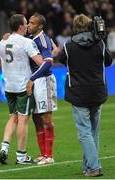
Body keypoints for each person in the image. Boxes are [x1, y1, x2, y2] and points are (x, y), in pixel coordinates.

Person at [58, 14, 112, 176]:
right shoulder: (99, 44)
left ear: (75, 27)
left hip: (79, 93)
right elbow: (108, 62)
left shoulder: (69, 46)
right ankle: (89, 166)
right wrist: (99, 40)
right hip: (97, 92)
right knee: (93, 132)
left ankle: (94, 167)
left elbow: (62, 60)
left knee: (85, 132)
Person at [0, 14, 48, 165]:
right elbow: (41, 62)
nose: (28, 26)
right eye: (26, 23)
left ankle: (4, 147)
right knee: (23, 119)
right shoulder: (26, 42)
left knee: (12, 117)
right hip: (24, 87)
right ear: (21, 26)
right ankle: (21, 156)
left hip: (9, 87)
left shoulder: (2, 42)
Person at [27, 13, 57, 165]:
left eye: (32, 23)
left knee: (45, 116)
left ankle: (49, 156)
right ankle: (43, 153)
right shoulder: (33, 39)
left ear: (40, 26)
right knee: (36, 117)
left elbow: (48, 62)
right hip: (38, 81)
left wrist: (32, 78)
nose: (28, 25)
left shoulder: (42, 39)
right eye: (28, 22)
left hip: (44, 81)